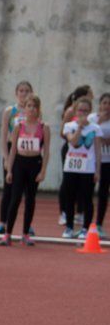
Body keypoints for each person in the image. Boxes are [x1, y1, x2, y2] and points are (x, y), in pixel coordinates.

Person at [0, 94, 49, 247]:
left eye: (34, 106)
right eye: (29, 106)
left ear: (38, 109)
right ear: (25, 108)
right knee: (15, 199)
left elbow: (46, 151)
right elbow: (13, 149)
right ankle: (7, 234)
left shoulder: (44, 127)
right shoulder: (18, 126)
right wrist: (9, 169)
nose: (31, 109)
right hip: (19, 164)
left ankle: (26, 234)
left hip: (35, 163)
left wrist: (43, 171)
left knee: (30, 199)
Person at [0, 81, 33, 235]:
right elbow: (4, 136)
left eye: (27, 91)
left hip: (28, 152)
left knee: (26, 191)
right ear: (16, 93)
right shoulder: (10, 111)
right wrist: (5, 157)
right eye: (21, 91)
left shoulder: (34, 111)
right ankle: (3, 223)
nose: (24, 94)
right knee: (8, 189)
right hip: (12, 150)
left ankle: (27, 225)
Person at [60, 97, 102, 238]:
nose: (83, 113)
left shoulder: (95, 128)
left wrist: (97, 170)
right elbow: (72, 141)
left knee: (86, 199)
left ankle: (85, 228)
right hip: (71, 167)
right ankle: (69, 227)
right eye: (80, 110)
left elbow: (97, 151)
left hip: (88, 168)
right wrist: (79, 127)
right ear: (76, 111)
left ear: (90, 111)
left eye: (85, 110)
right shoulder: (69, 126)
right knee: (69, 198)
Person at [58, 85, 94, 227]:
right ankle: (64, 212)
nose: (92, 96)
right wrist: (73, 137)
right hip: (70, 148)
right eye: (90, 94)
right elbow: (62, 132)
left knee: (82, 183)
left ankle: (79, 213)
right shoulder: (70, 111)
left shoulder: (90, 114)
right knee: (68, 183)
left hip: (85, 150)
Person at [92, 93, 110, 238]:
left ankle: (98, 224)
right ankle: (86, 225)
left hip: (108, 161)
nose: (107, 106)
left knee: (103, 193)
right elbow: (87, 134)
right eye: (104, 103)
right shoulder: (92, 118)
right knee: (86, 193)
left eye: (109, 103)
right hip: (92, 161)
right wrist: (99, 123)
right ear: (100, 104)